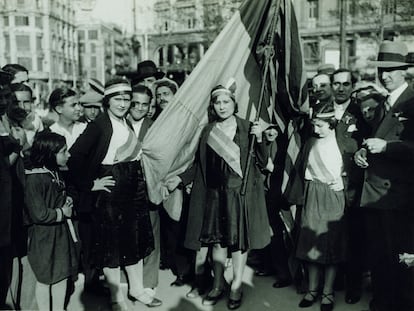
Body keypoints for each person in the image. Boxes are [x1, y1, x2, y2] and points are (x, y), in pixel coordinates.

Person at [166, 83, 271, 309]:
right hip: (213, 195)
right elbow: (199, 165)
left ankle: (236, 286)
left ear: (235, 104)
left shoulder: (248, 128)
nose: (222, 107)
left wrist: (260, 138)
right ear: (213, 106)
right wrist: (181, 178)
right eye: (217, 102)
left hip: (238, 194)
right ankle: (217, 284)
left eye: (226, 102)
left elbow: (263, 162)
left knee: (238, 243)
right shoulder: (208, 130)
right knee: (216, 242)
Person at [68, 78, 157, 310]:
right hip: (111, 191)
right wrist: (91, 184)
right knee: (112, 246)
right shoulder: (99, 125)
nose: (123, 103)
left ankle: (137, 290)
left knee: (133, 241)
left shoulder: (124, 121)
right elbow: (74, 157)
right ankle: (117, 297)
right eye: (118, 99)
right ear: (107, 101)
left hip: (133, 188)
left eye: (127, 99)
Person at [354, 40, 414, 311]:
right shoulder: (381, 104)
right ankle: (381, 301)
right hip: (374, 191)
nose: (384, 76)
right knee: (378, 253)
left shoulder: (412, 101)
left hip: (397, 195)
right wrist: (362, 153)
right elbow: (373, 140)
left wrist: (388, 146)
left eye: (390, 70)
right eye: (381, 70)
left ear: (405, 70)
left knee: (398, 255)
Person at [294, 104, 347, 311]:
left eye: (321, 126)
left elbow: (354, 169)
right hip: (312, 194)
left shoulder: (343, 142)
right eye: (315, 125)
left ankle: (328, 292)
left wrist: (345, 181)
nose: (317, 130)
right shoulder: (310, 142)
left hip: (334, 195)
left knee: (332, 244)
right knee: (311, 243)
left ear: (332, 124)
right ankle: (312, 290)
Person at [24, 131, 78, 311]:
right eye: (63, 151)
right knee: (45, 277)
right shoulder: (34, 178)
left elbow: (59, 193)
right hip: (43, 237)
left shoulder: (54, 172)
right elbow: (38, 214)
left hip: (60, 234)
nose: (68, 155)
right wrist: (62, 212)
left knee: (61, 274)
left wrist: (67, 199)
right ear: (49, 154)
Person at [330, 68, 369, 304]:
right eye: (336, 84)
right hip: (326, 183)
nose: (341, 88)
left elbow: (368, 139)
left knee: (354, 235)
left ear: (352, 86)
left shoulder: (362, 112)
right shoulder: (321, 109)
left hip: (352, 184)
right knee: (331, 232)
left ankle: (354, 284)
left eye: (346, 83)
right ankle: (335, 280)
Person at [128, 84, 163, 304]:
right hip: (123, 191)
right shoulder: (118, 124)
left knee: (151, 235)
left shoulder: (156, 127)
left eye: (144, 104)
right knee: (127, 237)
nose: (139, 108)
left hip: (148, 188)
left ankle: (149, 282)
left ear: (150, 106)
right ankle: (131, 282)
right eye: (135, 103)